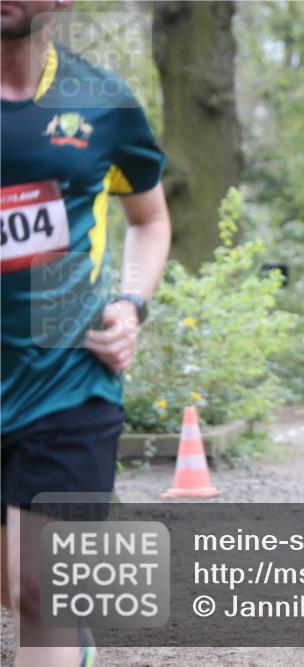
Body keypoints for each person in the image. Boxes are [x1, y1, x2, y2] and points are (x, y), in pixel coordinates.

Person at [1, 2, 171, 664]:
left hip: (69, 378)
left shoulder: (102, 101)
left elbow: (150, 219)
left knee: (37, 585)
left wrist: (130, 303)